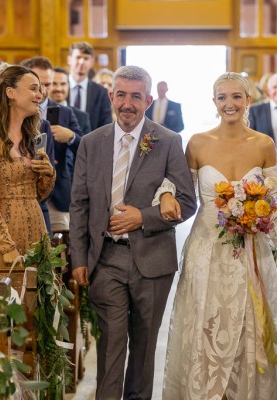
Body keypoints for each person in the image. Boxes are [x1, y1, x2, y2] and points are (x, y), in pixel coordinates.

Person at [163, 72, 277, 399]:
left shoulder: (263, 144)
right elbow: (182, 192)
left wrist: (259, 217)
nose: (230, 104)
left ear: (249, 100)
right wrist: (165, 196)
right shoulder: (197, 142)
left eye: (236, 97)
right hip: (206, 246)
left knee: (249, 321)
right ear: (214, 103)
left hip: (250, 247)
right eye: (222, 97)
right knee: (207, 318)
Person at [69, 65, 197, 400]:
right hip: (105, 258)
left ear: (148, 100)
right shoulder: (91, 143)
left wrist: (142, 217)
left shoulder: (168, 141)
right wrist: (78, 258)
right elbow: (80, 204)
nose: (128, 103)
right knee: (111, 344)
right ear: (111, 96)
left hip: (152, 259)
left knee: (143, 346)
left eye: (136, 97)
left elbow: (186, 201)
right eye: (121, 95)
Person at [0, 65, 56, 268]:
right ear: (10, 93)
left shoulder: (34, 136)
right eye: (33, 88)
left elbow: (40, 194)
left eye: (40, 89)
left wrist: (48, 174)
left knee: (39, 297)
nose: (40, 94)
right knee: (9, 298)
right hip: (4, 237)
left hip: (36, 229)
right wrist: (6, 247)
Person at [20, 56, 84, 232]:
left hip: (57, 194)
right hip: (23, 192)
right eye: (37, 84)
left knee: (59, 250)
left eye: (48, 84)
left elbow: (85, 148)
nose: (43, 90)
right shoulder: (15, 112)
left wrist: (71, 136)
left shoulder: (65, 112)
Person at [66, 41, 113, 130]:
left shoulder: (101, 92)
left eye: (86, 58)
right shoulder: (58, 87)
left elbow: (106, 126)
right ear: (69, 60)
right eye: (78, 57)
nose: (81, 62)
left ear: (92, 62)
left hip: (92, 142)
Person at [51, 66, 91, 134]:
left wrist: (71, 137)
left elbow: (88, 144)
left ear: (68, 86)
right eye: (54, 84)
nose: (58, 88)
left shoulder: (82, 117)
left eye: (63, 84)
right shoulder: (37, 113)